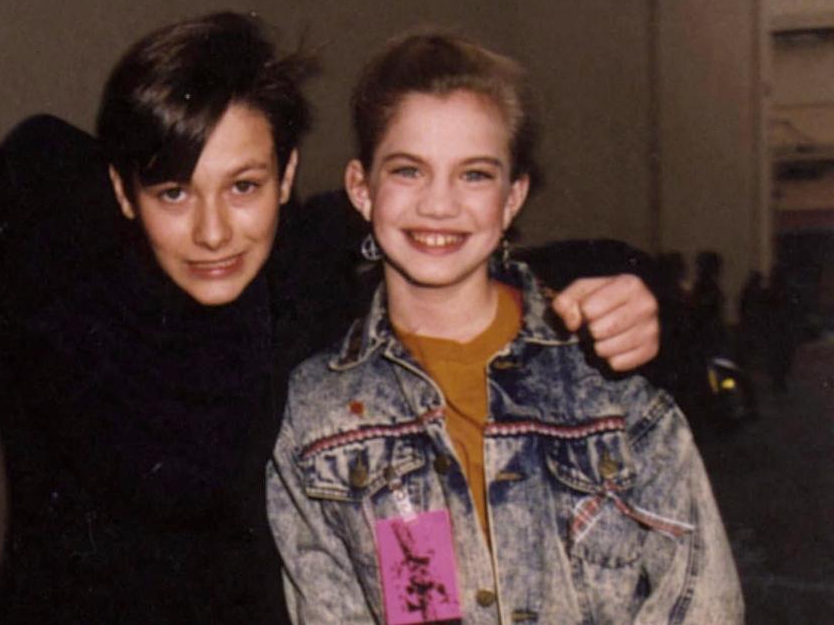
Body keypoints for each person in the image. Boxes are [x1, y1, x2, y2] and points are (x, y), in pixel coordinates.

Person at [0, 2, 662, 623]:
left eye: (246, 187)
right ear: (121, 189)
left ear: (291, 173)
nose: (215, 230)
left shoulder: (321, 258)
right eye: (173, 191)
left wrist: (627, 286)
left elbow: (492, 249)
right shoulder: (36, 232)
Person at [268, 32, 741, 623]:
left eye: (474, 175)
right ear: (362, 190)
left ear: (513, 198)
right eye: (409, 170)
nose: (439, 205)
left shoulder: (611, 374)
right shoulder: (318, 409)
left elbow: (701, 602)